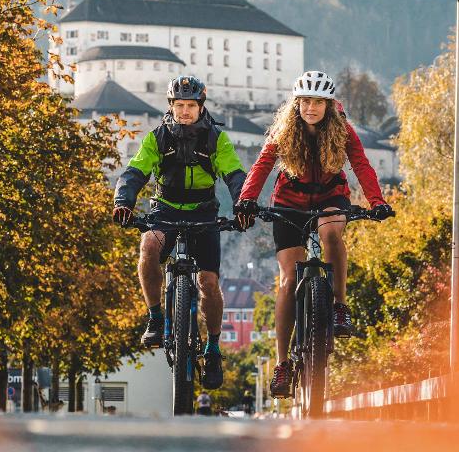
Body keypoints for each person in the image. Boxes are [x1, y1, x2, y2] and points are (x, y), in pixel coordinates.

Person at [233, 70, 394, 398]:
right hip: (289, 203)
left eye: (317, 102)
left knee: (331, 233)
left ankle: (339, 306)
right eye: (305, 101)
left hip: (330, 197)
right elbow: (262, 164)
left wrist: (377, 201)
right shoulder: (284, 129)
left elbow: (361, 164)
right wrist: (247, 199)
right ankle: (282, 364)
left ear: (329, 105)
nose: (310, 107)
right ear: (296, 103)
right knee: (288, 280)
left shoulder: (343, 129)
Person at [113, 75, 247, 391]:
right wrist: (123, 202)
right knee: (148, 245)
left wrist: (243, 205)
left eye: (191, 106)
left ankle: (213, 349)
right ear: (171, 106)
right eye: (179, 105)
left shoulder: (216, 139)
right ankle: (156, 317)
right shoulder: (158, 138)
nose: (185, 112)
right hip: (166, 210)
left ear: (201, 107)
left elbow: (235, 174)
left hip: (204, 212)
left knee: (209, 283)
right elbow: (134, 172)